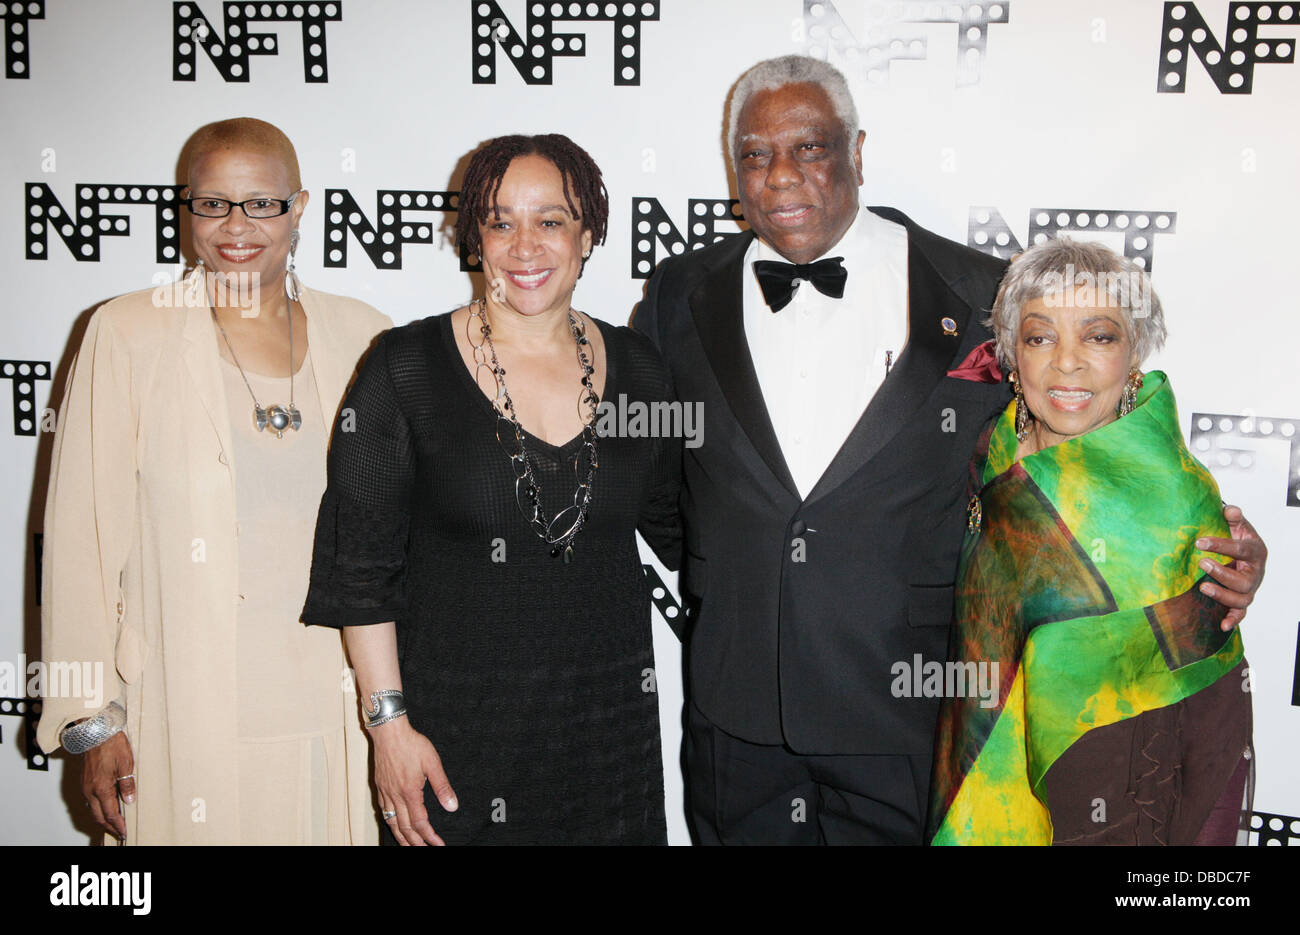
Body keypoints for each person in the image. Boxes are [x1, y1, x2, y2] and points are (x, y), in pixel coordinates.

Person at [633, 54, 1267, 844]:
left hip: (914, 709)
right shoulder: (676, 295)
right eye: (755, 155)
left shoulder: (980, 291)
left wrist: (1209, 546)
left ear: (858, 151)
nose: (781, 176)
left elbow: (1084, 441)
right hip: (739, 716)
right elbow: (657, 484)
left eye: (810, 148)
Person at [300, 134, 681, 845]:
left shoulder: (644, 371)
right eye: (501, 221)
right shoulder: (404, 369)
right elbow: (361, 575)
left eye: (551, 220)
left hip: (608, 750)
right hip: (453, 753)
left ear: (589, 232)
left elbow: (686, 526)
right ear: (475, 236)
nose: (524, 245)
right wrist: (389, 728)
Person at [36, 118, 389, 844]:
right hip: (179, 704)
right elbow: (79, 540)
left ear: (299, 207)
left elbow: (395, 537)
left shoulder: (364, 336)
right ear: (184, 209)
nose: (236, 226)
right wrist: (89, 716)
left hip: (330, 703)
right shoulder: (127, 333)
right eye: (212, 203)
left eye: (261, 203)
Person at [928, 239, 1252, 845]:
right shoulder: (990, 454)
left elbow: (1213, 722)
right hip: (986, 781)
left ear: (1133, 354)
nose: (1067, 363)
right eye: (1040, 337)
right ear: (1011, 353)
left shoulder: (1176, 499)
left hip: (1117, 803)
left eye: (1098, 336)